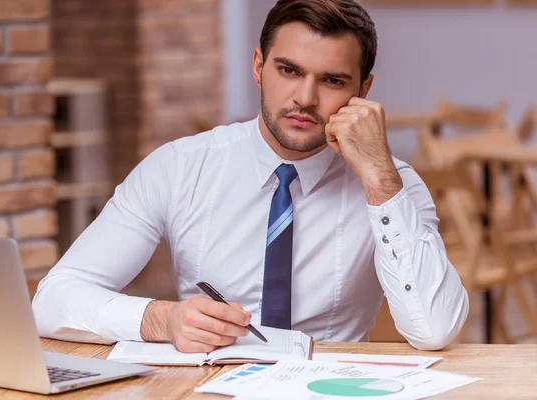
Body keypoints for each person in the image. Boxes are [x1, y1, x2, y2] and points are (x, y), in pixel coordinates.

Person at [33, 0, 468, 352]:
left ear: (363, 92)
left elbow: (435, 330)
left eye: (332, 80)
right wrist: (162, 319)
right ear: (259, 66)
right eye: (289, 70)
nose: (305, 97)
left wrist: (378, 177)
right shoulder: (180, 166)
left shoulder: (394, 183)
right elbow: (52, 301)